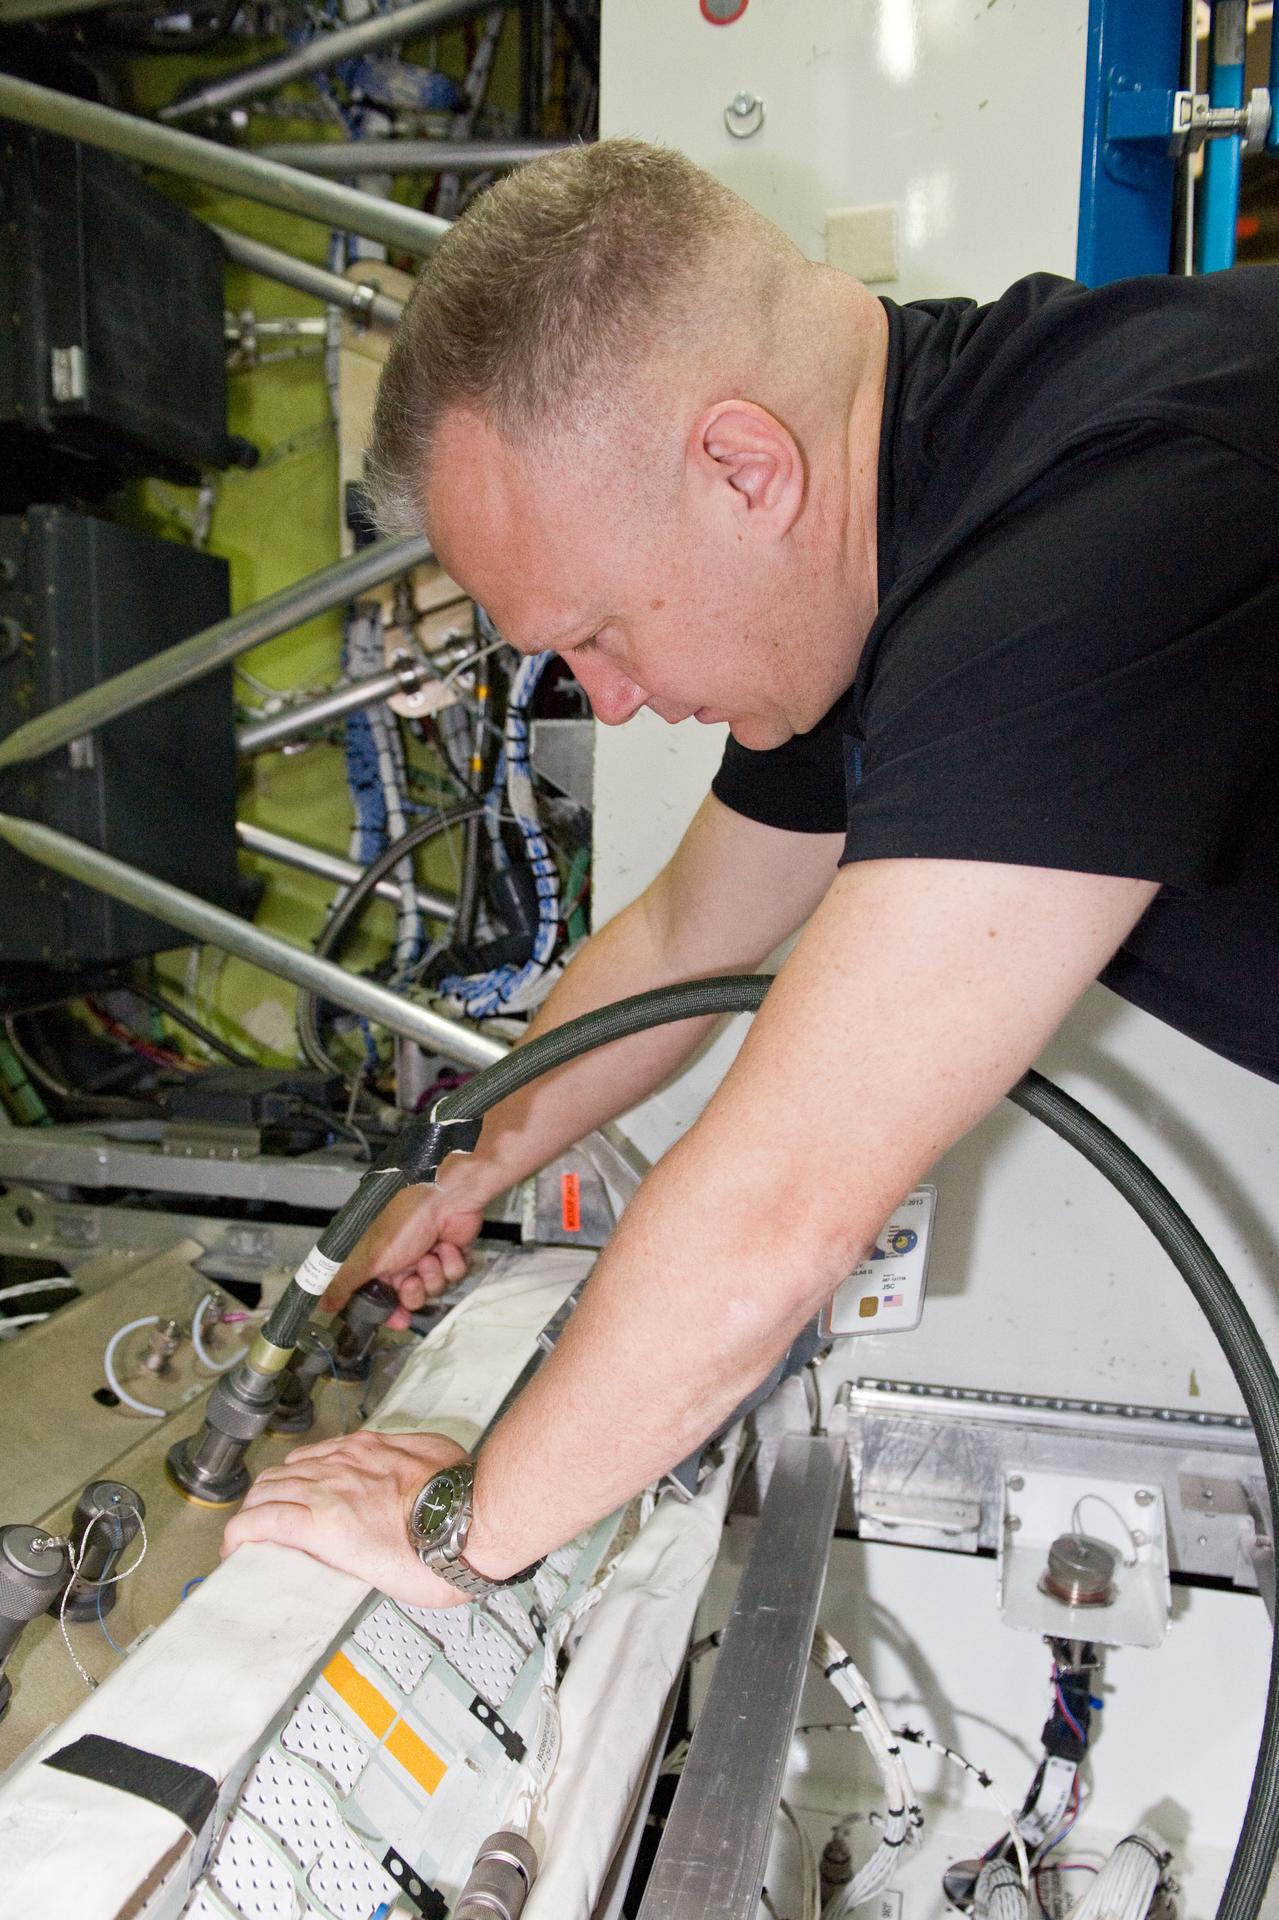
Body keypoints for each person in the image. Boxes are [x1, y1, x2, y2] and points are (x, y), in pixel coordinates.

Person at [222, 140, 1279, 1606]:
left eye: (597, 632)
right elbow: (678, 938)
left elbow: (783, 1207)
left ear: (743, 468)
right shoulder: (909, 516)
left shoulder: (1095, 536)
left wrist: (456, 1527)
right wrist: (453, 1172)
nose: (608, 700)